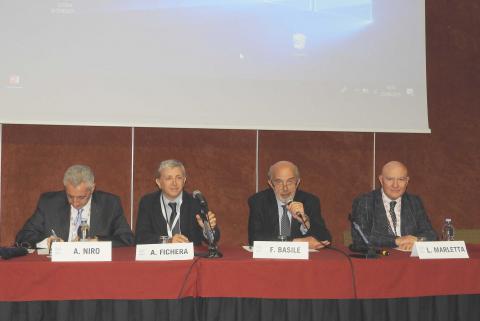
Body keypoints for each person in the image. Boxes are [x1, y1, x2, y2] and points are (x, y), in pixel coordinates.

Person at [16, 164, 134, 248]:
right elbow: (23, 236)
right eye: (70, 196)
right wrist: (46, 242)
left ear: (92, 189)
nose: (75, 202)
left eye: (81, 197)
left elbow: (127, 239)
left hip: (95, 269)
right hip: (57, 268)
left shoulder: (109, 204)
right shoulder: (49, 203)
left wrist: (97, 241)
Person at [350, 161, 437, 251]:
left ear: (407, 181)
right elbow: (360, 237)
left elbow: (431, 234)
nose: (395, 185)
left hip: (410, 259)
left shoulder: (414, 202)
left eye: (401, 179)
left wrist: (416, 240)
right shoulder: (365, 202)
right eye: (390, 179)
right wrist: (397, 240)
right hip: (380, 259)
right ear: (381, 179)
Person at [248, 160, 331, 250]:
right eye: (279, 182)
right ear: (271, 184)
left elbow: (325, 239)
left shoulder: (310, 201)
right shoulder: (258, 202)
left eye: (290, 182)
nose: (285, 188)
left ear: (297, 182)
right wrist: (294, 243)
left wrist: (305, 221)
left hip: (302, 263)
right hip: (270, 261)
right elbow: (254, 240)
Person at [135, 159, 220, 245]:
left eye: (178, 178)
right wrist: (167, 241)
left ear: (184, 180)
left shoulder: (196, 202)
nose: (174, 183)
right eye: (169, 178)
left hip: (191, 257)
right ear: (159, 183)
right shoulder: (148, 202)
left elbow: (214, 239)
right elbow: (140, 237)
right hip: (159, 257)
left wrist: (208, 230)